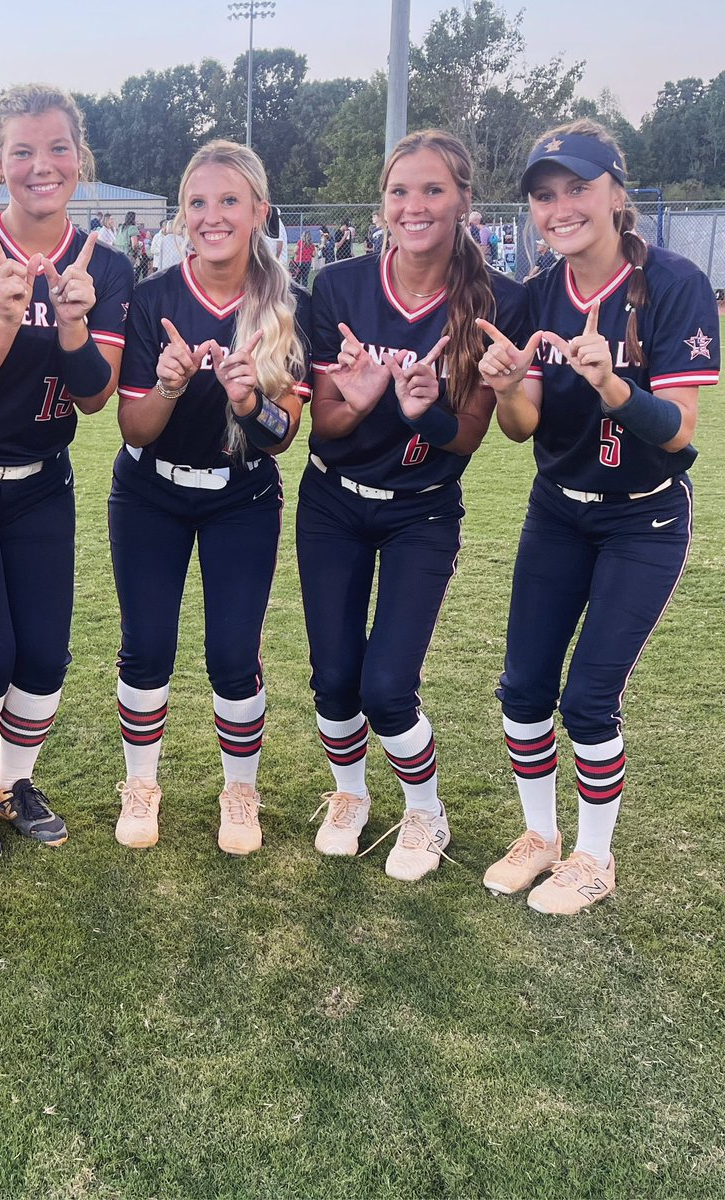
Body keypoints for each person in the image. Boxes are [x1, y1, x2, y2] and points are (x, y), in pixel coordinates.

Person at [477, 120, 719, 912]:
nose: (560, 207)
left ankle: (594, 856)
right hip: (558, 510)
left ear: (618, 193)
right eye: (545, 196)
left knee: (587, 700)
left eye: (578, 187)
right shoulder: (534, 295)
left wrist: (614, 386)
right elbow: (520, 427)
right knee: (523, 691)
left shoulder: (676, 282)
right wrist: (510, 382)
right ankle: (541, 837)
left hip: (643, 519)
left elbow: (680, 436)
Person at [302, 130, 527, 880]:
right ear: (383, 201)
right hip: (333, 502)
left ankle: (425, 809)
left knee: (386, 686)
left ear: (464, 199)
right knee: (335, 679)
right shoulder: (338, 286)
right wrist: (364, 401)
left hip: (421, 509)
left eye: (433, 189)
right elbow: (326, 425)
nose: (415, 205)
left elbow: (463, 440)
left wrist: (421, 409)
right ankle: (350, 794)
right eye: (401, 190)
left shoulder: (500, 299)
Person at [0, 84, 133, 860]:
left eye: (56, 149)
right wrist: (6, 315)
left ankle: (15, 782)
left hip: (44, 479)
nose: (40, 165)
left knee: (44, 656)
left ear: (79, 162)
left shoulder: (104, 265)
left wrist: (75, 324)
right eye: (22, 150)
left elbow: (92, 398)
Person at [112, 138, 309, 855]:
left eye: (229, 200)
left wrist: (252, 403)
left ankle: (240, 791)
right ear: (181, 216)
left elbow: (283, 434)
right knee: (147, 647)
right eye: (198, 202)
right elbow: (133, 428)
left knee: (233, 653)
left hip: (241, 495)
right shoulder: (153, 297)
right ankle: (141, 786)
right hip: (150, 495)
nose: (212, 215)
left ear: (258, 209)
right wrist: (167, 386)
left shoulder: (288, 304)